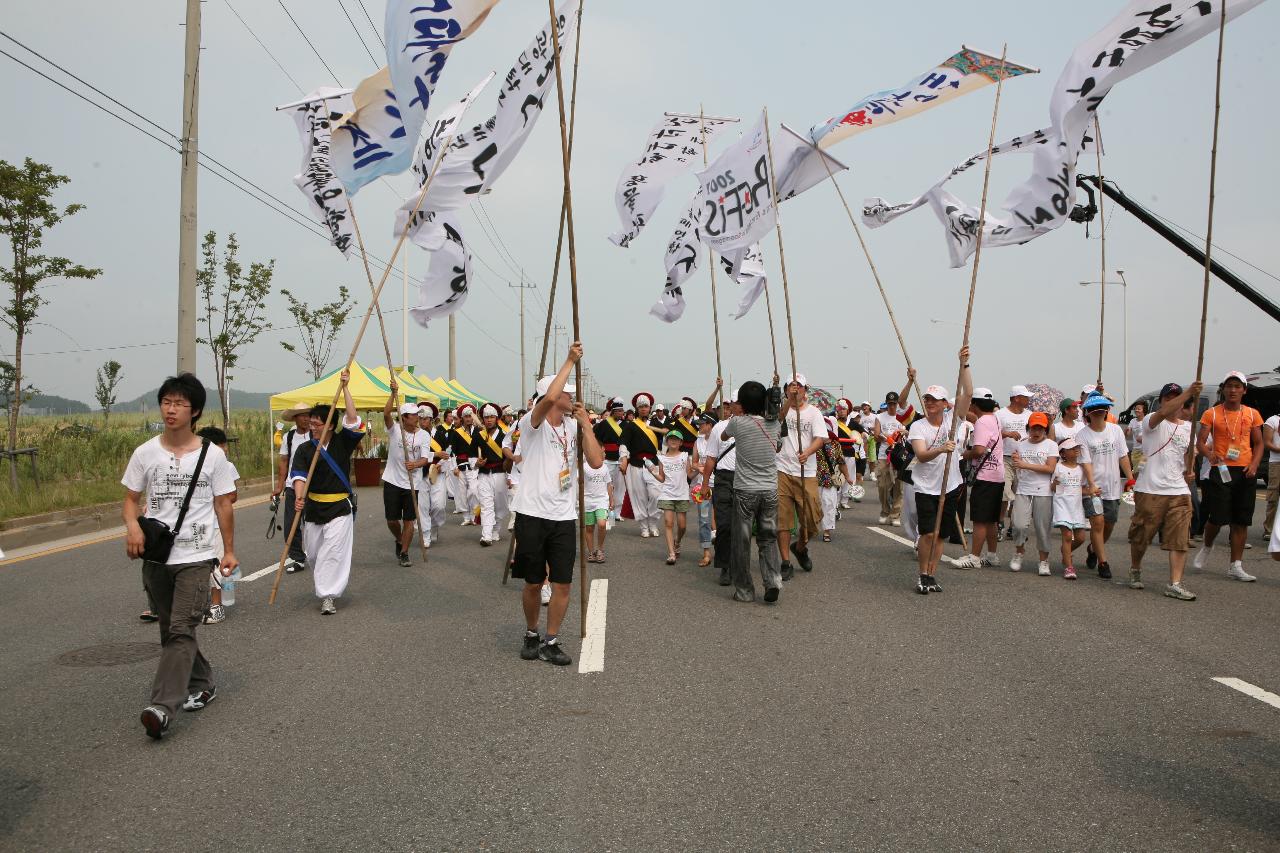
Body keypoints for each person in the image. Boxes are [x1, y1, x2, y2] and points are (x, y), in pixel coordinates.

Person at [122, 373, 238, 739]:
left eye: (179, 404)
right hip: (157, 555)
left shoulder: (213, 456)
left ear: (196, 410)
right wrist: (132, 527)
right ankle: (203, 682)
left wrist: (230, 550)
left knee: (181, 629)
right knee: (171, 630)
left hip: (196, 554)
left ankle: (162, 706)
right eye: (166, 402)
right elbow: (129, 500)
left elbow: (224, 504)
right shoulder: (145, 452)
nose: (170, 410)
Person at [511, 343, 604, 666]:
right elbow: (549, 399)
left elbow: (595, 461)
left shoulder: (572, 426)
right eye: (568, 393)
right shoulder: (531, 423)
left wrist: (587, 426)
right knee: (534, 582)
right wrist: (569, 360)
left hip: (564, 516)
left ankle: (551, 640)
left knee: (563, 582)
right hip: (533, 514)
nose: (572, 398)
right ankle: (531, 633)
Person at [289, 371, 363, 615]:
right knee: (314, 554)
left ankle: (327, 596)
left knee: (333, 552)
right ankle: (324, 584)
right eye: (310, 424)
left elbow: (352, 419)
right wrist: (299, 497)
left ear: (330, 424)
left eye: (316, 424)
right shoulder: (304, 450)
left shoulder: (343, 442)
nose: (312, 428)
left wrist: (345, 389)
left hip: (339, 507)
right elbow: (298, 477)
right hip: (314, 508)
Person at [1128, 381, 1203, 600]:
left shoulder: (1189, 428)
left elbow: (1189, 454)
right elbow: (1164, 412)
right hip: (1150, 489)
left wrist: (1190, 471)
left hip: (1179, 490)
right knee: (1141, 536)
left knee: (1180, 538)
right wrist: (1189, 392)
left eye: (1176, 397)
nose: (1173, 401)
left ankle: (1175, 583)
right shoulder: (1152, 422)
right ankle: (1135, 568)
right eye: (1168, 398)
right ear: (1161, 401)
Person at [908, 353, 973, 594]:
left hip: (950, 485)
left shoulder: (953, 420)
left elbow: (968, 393)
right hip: (926, 487)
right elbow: (922, 455)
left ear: (946, 403)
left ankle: (932, 574)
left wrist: (964, 364)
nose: (930, 403)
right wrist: (941, 449)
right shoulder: (918, 426)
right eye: (928, 399)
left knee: (941, 535)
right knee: (927, 533)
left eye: (936, 400)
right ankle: (922, 574)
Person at [1193, 371, 1264, 582]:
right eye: (1229, 386)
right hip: (1221, 469)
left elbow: (1259, 443)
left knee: (1241, 520)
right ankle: (1207, 545)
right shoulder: (1212, 413)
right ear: (1223, 389)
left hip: (1245, 471)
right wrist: (1209, 453)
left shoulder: (1252, 414)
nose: (1233, 390)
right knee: (1218, 517)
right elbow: (1200, 442)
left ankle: (1236, 565)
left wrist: (1254, 465)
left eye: (1237, 386)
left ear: (1244, 390)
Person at [722, 381, 784, 603]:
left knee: (742, 541)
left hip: (745, 490)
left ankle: (745, 590)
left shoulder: (737, 423)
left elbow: (723, 437)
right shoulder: (775, 424)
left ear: (743, 403)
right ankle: (773, 581)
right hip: (770, 490)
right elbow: (778, 447)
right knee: (768, 538)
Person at [775, 373, 826, 580]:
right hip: (783, 470)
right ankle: (785, 561)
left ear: (806, 390)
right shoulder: (783, 410)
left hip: (807, 472)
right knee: (783, 520)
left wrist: (808, 452)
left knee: (812, 520)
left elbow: (821, 438)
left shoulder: (814, 413)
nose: (796, 389)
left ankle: (800, 547)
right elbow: (776, 419)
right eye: (791, 386)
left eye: (799, 386)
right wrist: (788, 399)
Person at [1077, 393, 1132, 579]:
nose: (1098, 412)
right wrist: (1091, 485)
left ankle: (1093, 549)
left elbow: (1123, 456)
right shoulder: (1082, 435)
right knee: (1097, 523)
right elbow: (1086, 463)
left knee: (1109, 524)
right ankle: (1103, 562)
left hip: (1113, 486)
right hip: (1093, 488)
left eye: (1101, 409)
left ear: (1107, 411)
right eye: (1093, 409)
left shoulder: (1116, 431)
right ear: (1087, 413)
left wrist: (1130, 479)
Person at [954, 388, 1005, 569]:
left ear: (974, 404)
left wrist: (964, 453)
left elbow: (979, 450)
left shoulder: (982, 422)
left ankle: (974, 557)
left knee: (980, 519)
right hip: (997, 474)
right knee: (991, 519)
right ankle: (991, 555)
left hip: (985, 475)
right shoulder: (994, 419)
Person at [195, 426, 239, 625]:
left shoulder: (225, 466)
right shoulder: (192, 465)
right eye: (221, 445)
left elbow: (232, 496)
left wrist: (212, 496)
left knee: (217, 566)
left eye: (224, 446)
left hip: (215, 524)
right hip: (194, 525)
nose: (225, 450)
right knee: (195, 566)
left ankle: (217, 606)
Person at [382, 388, 428, 567]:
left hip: (412, 482)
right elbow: (386, 413)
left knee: (409, 519)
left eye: (417, 414)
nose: (417, 417)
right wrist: (393, 394)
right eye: (413, 415)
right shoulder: (394, 430)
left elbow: (424, 459)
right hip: (393, 480)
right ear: (403, 417)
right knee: (392, 520)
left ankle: (404, 552)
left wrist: (415, 464)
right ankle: (399, 539)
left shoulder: (423, 435)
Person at [1009, 411, 1059, 576]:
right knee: (1019, 524)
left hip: (1043, 491)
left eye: (1040, 428)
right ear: (1028, 428)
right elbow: (1017, 465)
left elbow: (1050, 468)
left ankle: (1044, 561)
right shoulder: (1021, 445)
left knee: (1042, 528)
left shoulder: (1051, 445)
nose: (1036, 432)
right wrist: (1018, 464)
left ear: (1045, 429)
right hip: (1024, 489)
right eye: (1033, 428)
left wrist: (1024, 465)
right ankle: (1019, 552)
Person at [701, 392, 739, 587]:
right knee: (724, 525)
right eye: (731, 403)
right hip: (723, 478)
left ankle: (738, 564)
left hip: (746, 479)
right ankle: (725, 565)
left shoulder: (755, 425)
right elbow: (710, 458)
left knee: (741, 527)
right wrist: (705, 484)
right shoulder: (719, 427)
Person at [872, 369, 917, 525]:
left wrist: (904, 431)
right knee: (883, 486)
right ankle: (884, 510)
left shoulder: (903, 417)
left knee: (899, 486)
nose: (892, 406)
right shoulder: (879, 417)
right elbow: (876, 434)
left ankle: (895, 514)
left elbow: (912, 432)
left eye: (894, 403)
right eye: (889, 403)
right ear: (886, 404)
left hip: (899, 455)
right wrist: (885, 437)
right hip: (885, 455)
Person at [272, 402, 311, 575]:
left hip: (313, 487)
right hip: (293, 486)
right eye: (302, 415)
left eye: (308, 415)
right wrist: (279, 487)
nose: (306, 418)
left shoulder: (317, 435)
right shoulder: (289, 437)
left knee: (313, 524)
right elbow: (283, 462)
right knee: (291, 525)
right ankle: (298, 558)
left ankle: (319, 556)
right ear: (295, 418)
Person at [620, 392, 664, 537]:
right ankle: (644, 526)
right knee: (639, 496)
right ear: (637, 409)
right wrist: (624, 459)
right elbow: (624, 444)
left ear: (650, 408)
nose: (644, 409)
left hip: (653, 464)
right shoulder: (630, 426)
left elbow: (668, 438)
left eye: (646, 406)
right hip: (636, 464)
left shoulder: (657, 424)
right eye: (641, 407)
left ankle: (653, 523)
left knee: (656, 494)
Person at [1051, 438, 1089, 580]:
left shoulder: (1081, 469)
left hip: (1076, 507)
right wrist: (1055, 482)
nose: (1076, 450)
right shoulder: (1059, 467)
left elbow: (1082, 489)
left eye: (1076, 448)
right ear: (1063, 453)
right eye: (1072, 448)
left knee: (1080, 538)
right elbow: (1053, 488)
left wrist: (1091, 492)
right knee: (1067, 536)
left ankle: (1065, 552)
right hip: (1062, 505)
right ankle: (1069, 567)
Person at [475, 402, 511, 546]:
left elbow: (509, 457)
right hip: (484, 474)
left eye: (491, 417)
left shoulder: (505, 435)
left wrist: (510, 476)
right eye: (486, 417)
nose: (489, 420)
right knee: (486, 505)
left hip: (500, 474)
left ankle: (496, 529)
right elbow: (473, 455)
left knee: (500, 505)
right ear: (483, 419)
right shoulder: (478, 436)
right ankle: (487, 535)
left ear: (496, 418)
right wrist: (477, 462)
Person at [593, 397, 629, 527]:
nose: (621, 413)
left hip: (621, 459)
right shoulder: (603, 424)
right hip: (607, 459)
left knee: (620, 488)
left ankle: (618, 512)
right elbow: (596, 439)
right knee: (607, 486)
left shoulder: (626, 425)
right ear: (613, 411)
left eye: (622, 411)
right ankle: (606, 511)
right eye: (618, 411)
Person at [656, 430, 691, 564]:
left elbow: (689, 475)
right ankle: (671, 553)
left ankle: (677, 542)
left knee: (682, 526)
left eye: (676, 439)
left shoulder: (684, 456)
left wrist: (699, 470)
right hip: (667, 494)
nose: (673, 441)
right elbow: (661, 478)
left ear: (681, 442)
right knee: (668, 523)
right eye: (671, 439)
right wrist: (652, 473)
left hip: (682, 493)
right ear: (667, 441)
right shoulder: (662, 458)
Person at [416, 402, 448, 545]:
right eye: (420, 419)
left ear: (431, 419)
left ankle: (434, 526)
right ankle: (426, 535)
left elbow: (448, 454)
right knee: (422, 506)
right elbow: (418, 455)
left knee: (438, 505)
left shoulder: (441, 435)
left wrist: (442, 464)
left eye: (425, 419)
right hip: (421, 475)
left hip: (437, 475)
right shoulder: (416, 437)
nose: (423, 422)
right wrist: (435, 453)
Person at [817, 417, 851, 543]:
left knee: (829, 504)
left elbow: (841, 462)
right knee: (815, 505)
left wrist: (848, 477)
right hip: (814, 479)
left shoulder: (835, 444)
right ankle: (809, 528)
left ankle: (827, 531)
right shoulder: (811, 443)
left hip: (830, 480)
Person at [692, 414, 716, 567]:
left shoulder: (721, 439)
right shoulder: (698, 441)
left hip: (720, 484)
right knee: (704, 519)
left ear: (709, 424)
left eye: (701, 424)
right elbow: (694, 462)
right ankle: (706, 553)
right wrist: (701, 469)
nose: (698, 427)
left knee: (721, 518)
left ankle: (722, 550)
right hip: (703, 485)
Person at [582, 457, 613, 564]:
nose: (604, 454)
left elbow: (609, 484)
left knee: (601, 524)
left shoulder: (604, 467)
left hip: (601, 500)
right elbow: (579, 481)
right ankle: (591, 552)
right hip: (588, 500)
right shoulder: (584, 466)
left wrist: (611, 500)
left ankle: (600, 549)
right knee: (589, 528)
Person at [1264, 409, 1280, 541]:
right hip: (1276, 463)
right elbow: (1267, 443)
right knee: (1273, 497)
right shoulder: (1272, 420)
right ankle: (1268, 529)